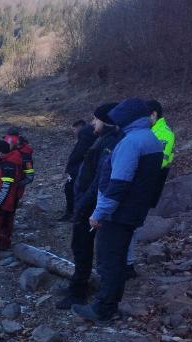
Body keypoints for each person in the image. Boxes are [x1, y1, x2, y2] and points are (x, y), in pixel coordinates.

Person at [72, 98, 164, 322]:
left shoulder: (131, 142)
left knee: (108, 260)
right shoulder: (151, 138)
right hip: (134, 210)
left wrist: (98, 213)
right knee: (118, 258)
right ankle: (110, 302)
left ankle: (103, 308)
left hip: (119, 213)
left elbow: (118, 184)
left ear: (127, 118)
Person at [56, 103, 123, 310]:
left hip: (91, 205)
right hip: (88, 202)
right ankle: (77, 285)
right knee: (80, 247)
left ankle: (79, 293)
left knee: (85, 248)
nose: (93, 123)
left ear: (106, 121)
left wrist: (83, 203)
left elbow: (99, 179)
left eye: (96, 119)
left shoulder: (108, 143)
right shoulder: (103, 140)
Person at [124, 100, 176, 278]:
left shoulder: (165, 134)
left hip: (147, 187)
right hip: (138, 184)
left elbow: (161, 161)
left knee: (131, 225)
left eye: (145, 116)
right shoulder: (148, 131)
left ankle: (128, 266)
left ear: (153, 115)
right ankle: (124, 262)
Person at [62, 120, 96, 221]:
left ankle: (74, 213)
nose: (74, 132)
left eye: (74, 129)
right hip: (78, 169)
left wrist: (70, 166)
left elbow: (78, 154)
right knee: (70, 189)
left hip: (79, 170)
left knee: (72, 189)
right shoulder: (85, 137)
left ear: (79, 127)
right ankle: (73, 212)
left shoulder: (86, 137)